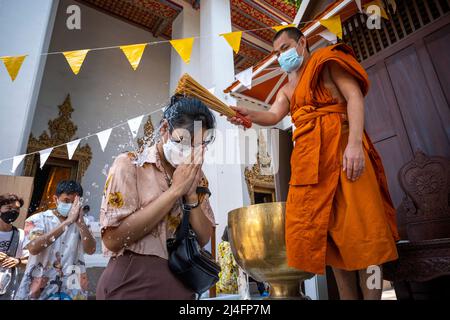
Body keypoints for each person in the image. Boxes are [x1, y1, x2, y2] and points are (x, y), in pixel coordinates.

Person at [227, 27, 399, 300]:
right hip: (312, 167)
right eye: (276, 53)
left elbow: (354, 96)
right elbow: (273, 115)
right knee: (329, 238)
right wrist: (249, 113)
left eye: (284, 48)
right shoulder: (286, 89)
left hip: (344, 153)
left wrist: (354, 144)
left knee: (363, 231)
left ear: (302, 43)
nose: (281, 56)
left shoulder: (325, 62)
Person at [96, 95, 216, 300]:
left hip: (181, 281)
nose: (189, 152)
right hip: (132, 283)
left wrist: (190, 194)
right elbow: (113, 239)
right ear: (164, 130)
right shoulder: (130, 164)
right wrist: (174, 191)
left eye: (197, 146)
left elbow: (204, 236)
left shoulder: (197, 176)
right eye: (183, 142)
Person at [15, 180, 96, 300]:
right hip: (39, 287)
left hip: (71, 288)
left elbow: (91, 250)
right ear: (55, 199)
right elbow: (33, 248)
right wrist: (67, 222)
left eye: (74, 202)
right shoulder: (37, 219)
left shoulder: (84, 223)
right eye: (66, 201)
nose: (70, 205)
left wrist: (81, 223)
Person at [0, 194, 28, 300]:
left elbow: (29, 260)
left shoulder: (21, 234)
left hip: (8, 291)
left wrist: (18, 261)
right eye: (9, 208)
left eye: (17, 209)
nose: (13, 212)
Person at [216, 227, 239, 295]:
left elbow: (219, 260)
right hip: (231, 279)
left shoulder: (221, 244)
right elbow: (235, 263)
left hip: (221, 277)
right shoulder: (232, 246)